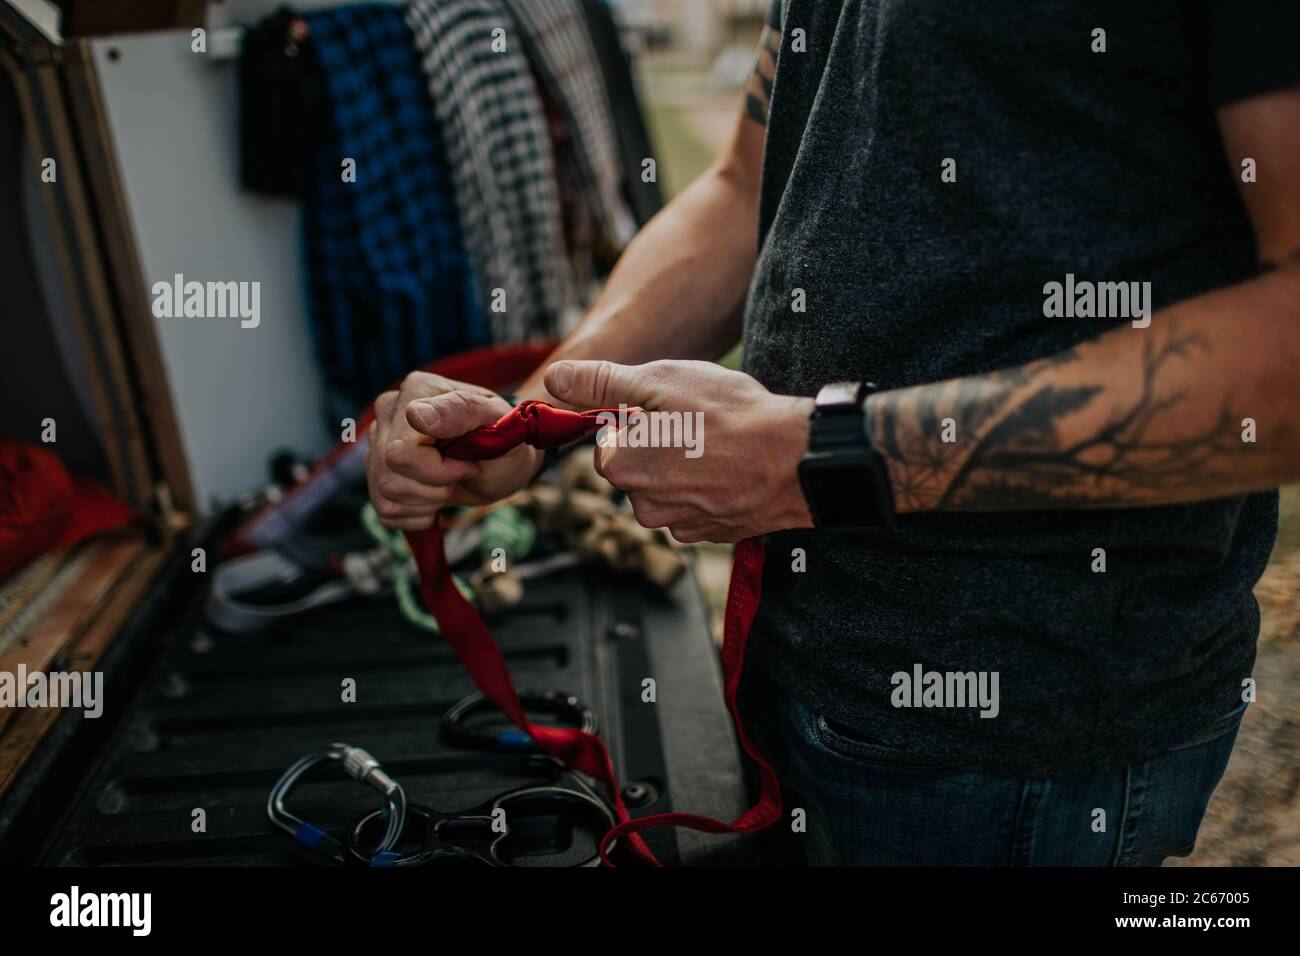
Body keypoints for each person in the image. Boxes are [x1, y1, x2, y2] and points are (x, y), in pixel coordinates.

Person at [366, 1, 1300, 865]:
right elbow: (745, 191)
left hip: (1022, 734)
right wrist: (528, 424)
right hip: (805, 657)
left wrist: (818, 461)